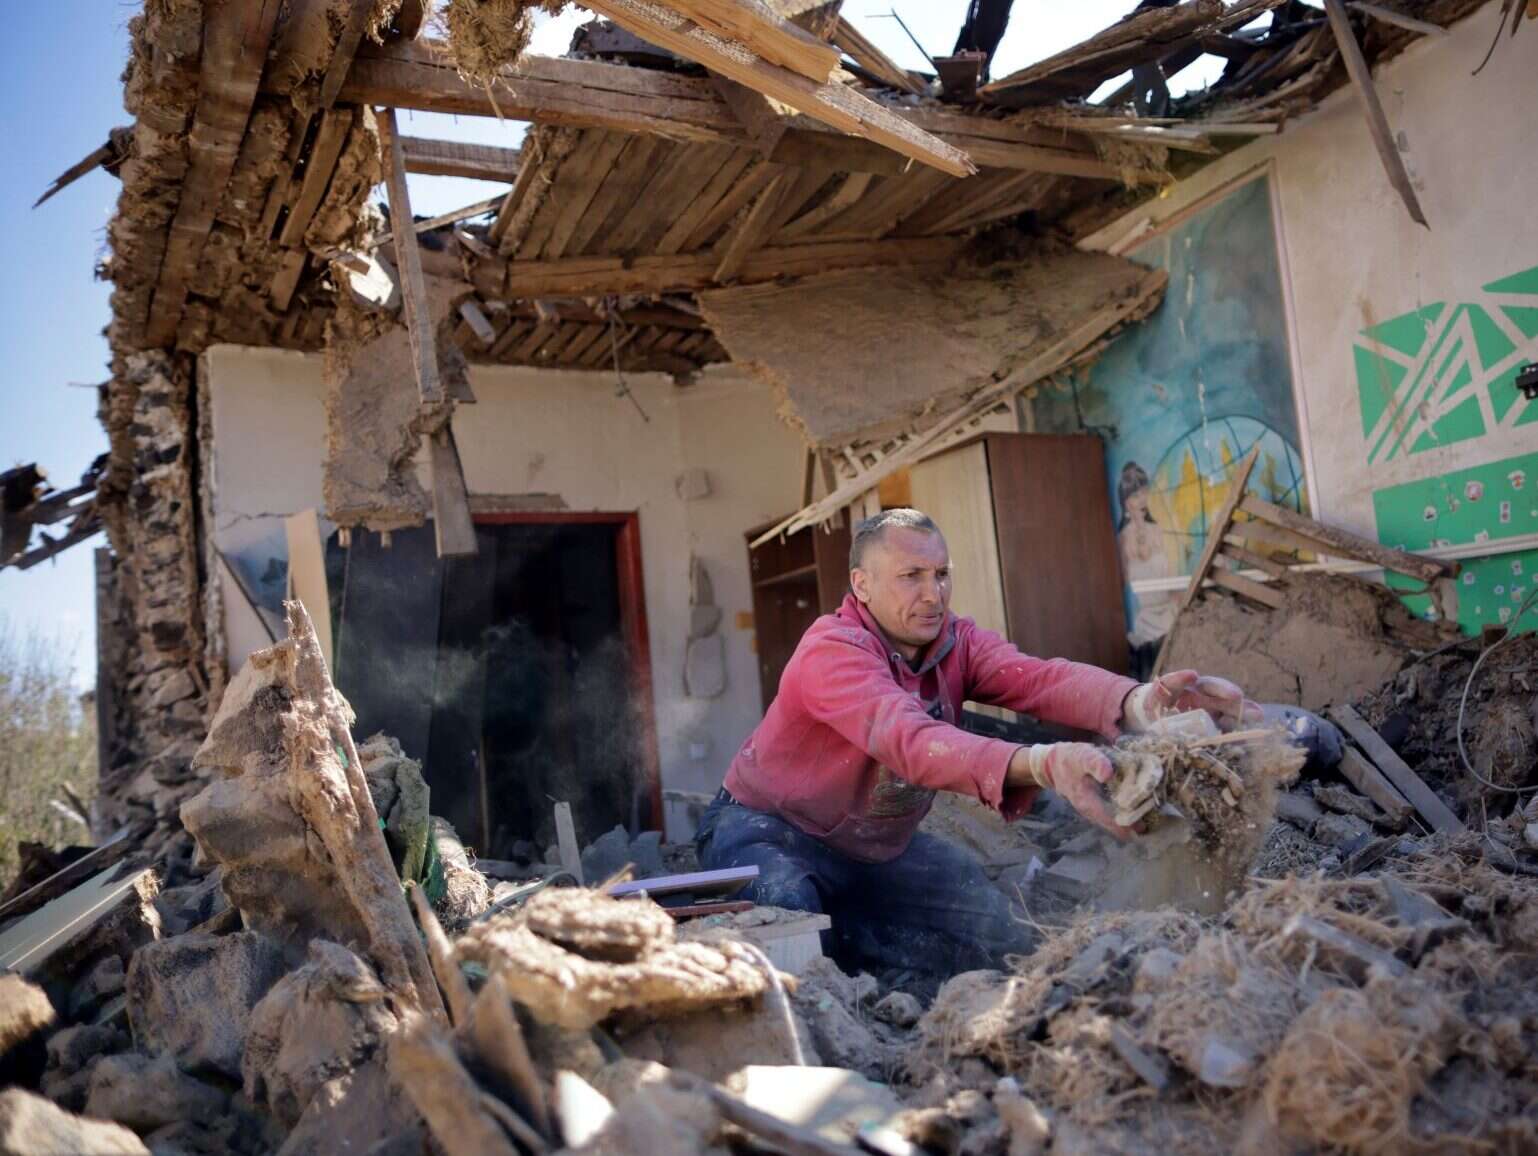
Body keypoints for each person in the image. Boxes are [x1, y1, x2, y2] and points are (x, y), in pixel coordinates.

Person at [696, 508, 1255, 977]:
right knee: (792, 934)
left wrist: (1140, 702)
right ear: (861, 586)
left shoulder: (953, 640)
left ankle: (861, 936)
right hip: (769, 831)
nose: (932, 593)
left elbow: (1036, 677)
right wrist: (1042, 763)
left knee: (1003, 930)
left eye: (940, 574)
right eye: (910, 575)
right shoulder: (831, 650)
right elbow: (910, 740)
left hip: (872, 846)